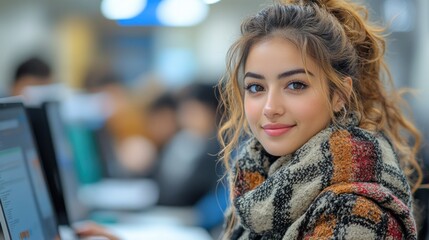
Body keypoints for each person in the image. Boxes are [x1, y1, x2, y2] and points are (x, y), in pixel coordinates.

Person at [217, 0, 422, 239]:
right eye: (255, 87)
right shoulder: (255, 187)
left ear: (339, 95)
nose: (270, 108)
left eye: (295, 85)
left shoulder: (355, 211)